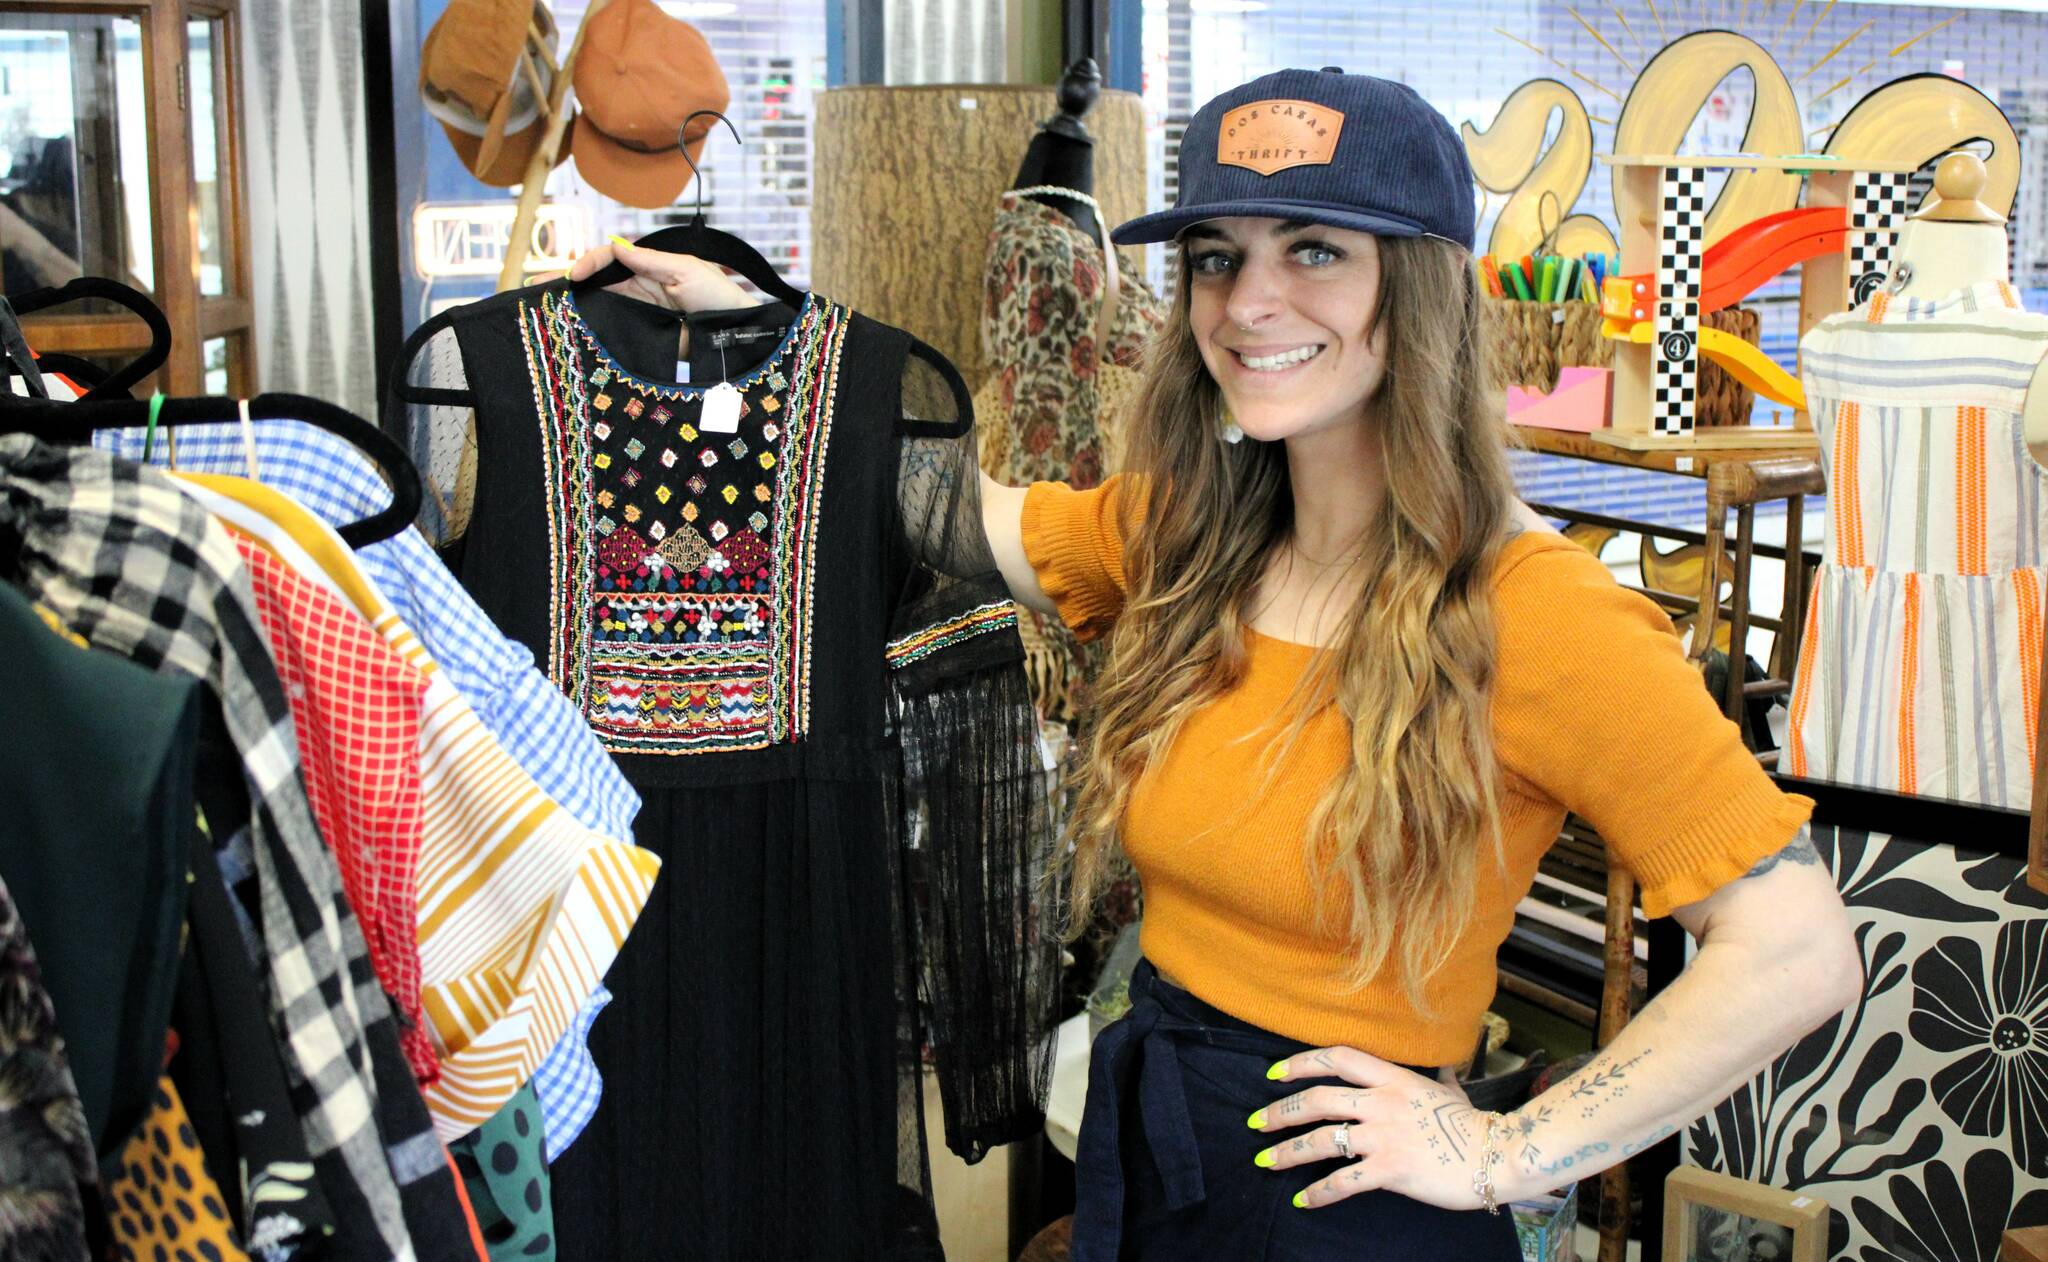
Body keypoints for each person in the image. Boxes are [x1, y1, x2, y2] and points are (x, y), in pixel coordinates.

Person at [568, 67, 1860, 1262]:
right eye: (1214, 258)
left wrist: (1509, 1149)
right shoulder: (1194, 545)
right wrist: (762, 335)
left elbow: (1796, 951)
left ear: (1420, 291)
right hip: (1161, 1147)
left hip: (1347, 1205)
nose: (1248, 304)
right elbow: (954, 512)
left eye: (1314, 252)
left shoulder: (1541, 615)